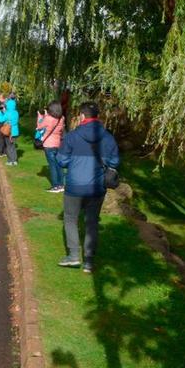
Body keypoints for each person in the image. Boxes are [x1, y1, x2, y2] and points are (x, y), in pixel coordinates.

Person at [56, 102, 119, 273]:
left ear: (82, 116)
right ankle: (89, 262)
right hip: (96, 188)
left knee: (70, 219)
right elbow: (114, 162)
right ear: (97, 116)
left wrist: (74, 162)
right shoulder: (108, 137)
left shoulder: (72, 136)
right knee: (92, 223)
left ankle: (74, 256)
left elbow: (61, 160)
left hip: (75, 186)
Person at [37, 101, 65, 192]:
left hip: (49, 144)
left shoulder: (48, 118)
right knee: (58, 165)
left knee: (52, 165)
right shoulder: (62, 118)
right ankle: (61, 184)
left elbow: (39, 127)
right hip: (58, 144)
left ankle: (55, 186)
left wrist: (40, 117)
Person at [0, 94, 20, 165]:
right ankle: (15, 160)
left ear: (8, 105)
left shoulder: (7, 113)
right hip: (15, 131)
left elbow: (0, 120)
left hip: (8, 131)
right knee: (12, 146)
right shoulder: (16, 112)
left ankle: (10, 160)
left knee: (8, 146)